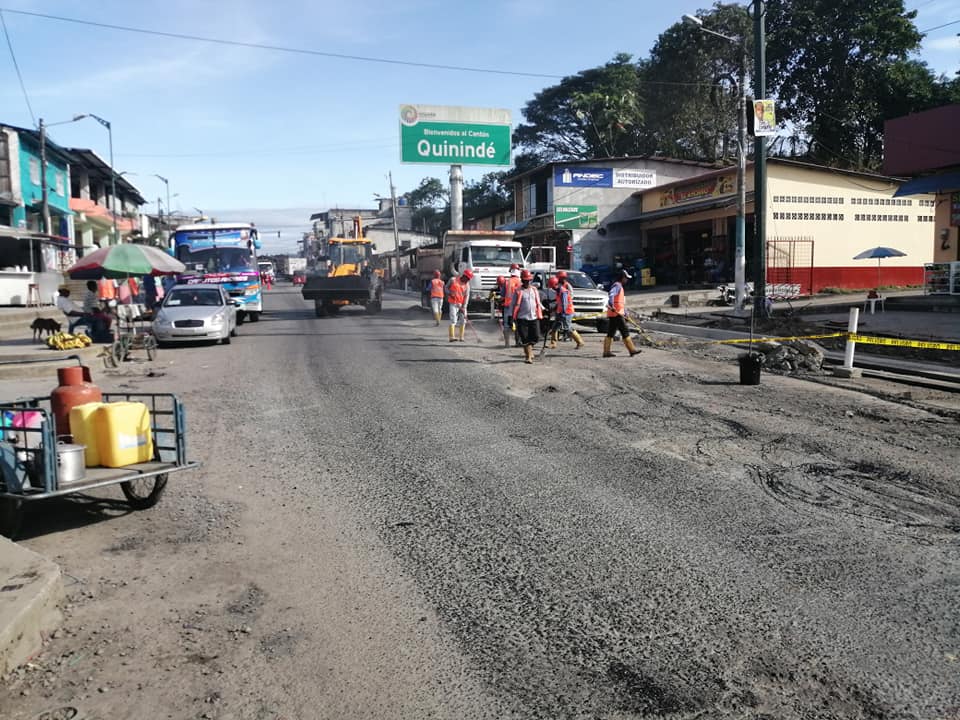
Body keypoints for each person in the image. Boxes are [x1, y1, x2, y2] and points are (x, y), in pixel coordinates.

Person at [604, 269, 641, 358]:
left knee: (611, 332)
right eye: (626, 278)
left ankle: (606, 352)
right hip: (616, 313)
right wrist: (612, 305)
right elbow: (611, 294)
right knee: (625, 330)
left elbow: (620, 302)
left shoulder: (619, 286)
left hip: (615, 313)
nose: (627, 280)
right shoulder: (617, 286)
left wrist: (625, 312)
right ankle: (632, 350)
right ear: (622, 277)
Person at [511, 269, 543, 364]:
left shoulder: (534, 290)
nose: (527, 282)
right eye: (525, 280)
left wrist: (545, 309)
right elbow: (513, 305)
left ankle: (529, 350)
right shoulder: (518, 291)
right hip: (522, 318)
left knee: (536, 337)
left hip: (534, 317)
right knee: (525, 338)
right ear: (522, 280)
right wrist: (510, 317)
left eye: (528, 280)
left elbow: (538, 302)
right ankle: (528, 356)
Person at [554, 270, 585, 350]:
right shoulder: (558, 286)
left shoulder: (567, 286)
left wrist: (563, 310)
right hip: (560, 309)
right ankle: (553, 343)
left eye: (561, 278)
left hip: (566, 310)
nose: (560, 279)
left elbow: (568, 299)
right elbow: (558, 298)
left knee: (567, 327)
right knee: (555, 326)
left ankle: (580, 341)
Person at [446, 269, 472, 342]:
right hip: (453, 303)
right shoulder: (453, 280)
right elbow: (446, 288)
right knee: (453, 319)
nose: (468, 280)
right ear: (464, 276)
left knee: (463, 320)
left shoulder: (467, 285)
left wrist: (463, 307)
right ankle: (451, 337)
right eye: (467, 278)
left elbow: (466, 297)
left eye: (469, 279)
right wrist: (449, 293)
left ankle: (461, 337)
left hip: (461, 304)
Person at [501, 264, 521, 348]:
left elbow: (502, 295)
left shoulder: (507, 282)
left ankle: (507, 344)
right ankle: (518, 342)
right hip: (517, 306)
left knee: (506, 325)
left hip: (508, 306)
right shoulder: (521, 282)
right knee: (518, 323)